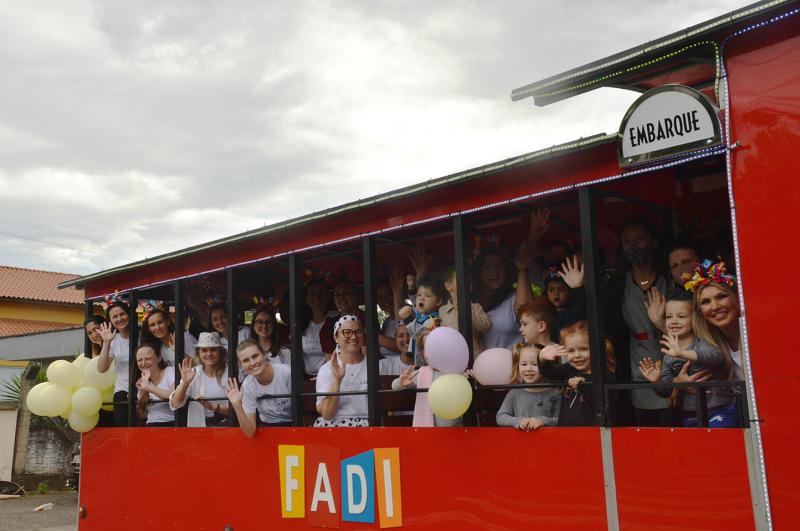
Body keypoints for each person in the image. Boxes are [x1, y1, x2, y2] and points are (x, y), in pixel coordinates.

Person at [603, 217, 670, 426]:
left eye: (639, 239)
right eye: (627, 241)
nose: (633, 246)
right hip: (635, 357)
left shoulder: (669, 278)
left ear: (654, 242)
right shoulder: (617, 285)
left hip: (671, 352)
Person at [637, 290, 737, 427]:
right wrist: (657, 381)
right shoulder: (669, 355)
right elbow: (666, 391)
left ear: (694, 318)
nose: (673, 321)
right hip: (691, 414)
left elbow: (714, 356)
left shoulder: (703, 342)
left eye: (681, 316)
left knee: (716, 440)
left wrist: (682, 354)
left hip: (720, 409)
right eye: (668, 317)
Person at [538, 320, 616, 426]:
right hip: (567, 433)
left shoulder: (605, 373)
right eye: (571, 351)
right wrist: (542, 358)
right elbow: (549, 373)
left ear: (597, 348)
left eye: (583, 349)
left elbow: (607, 390)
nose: (577, 355)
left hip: (593, 434)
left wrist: (585, 382)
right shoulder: (569, 369)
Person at [392, 326, 463, 427]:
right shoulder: (423, 373)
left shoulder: (455, 372)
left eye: (434, 347)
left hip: (455, 431)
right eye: (426, 348)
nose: (429, 352)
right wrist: (401, 382)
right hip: (428, 431)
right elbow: (394, 386)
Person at [472, 243, 536, 350]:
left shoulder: (512, 298)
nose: (494, 271)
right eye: (487, 267)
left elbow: (527, 310)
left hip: (512, 365)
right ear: (479, 271)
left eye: (499, 266)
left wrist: (522, 269)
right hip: (476, 366)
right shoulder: (469, 300)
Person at [227, 339, 292, 436]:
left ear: (264, 355)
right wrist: (237, 405)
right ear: (241, 365)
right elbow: (250, 432)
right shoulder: (248, 386)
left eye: (255, 356)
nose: (252, 363)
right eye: (245, 360)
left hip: (294, 426)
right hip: (267, 429)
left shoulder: (287, 373)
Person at [315, 315, 369, 427]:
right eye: (347, 332)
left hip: (369, 427)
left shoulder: (375, 366)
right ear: (336, 337)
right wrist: (337, 380)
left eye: (358, 332)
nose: (354, 337)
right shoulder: (326, 370)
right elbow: (327, 415)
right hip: (335, 427)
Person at [169, 332, 230, 427]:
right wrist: (185, 383)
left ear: (220, 352)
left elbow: (238, 408)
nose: (209, 354)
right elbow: (175, 403)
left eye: (213, 349)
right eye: (204, 350)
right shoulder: (193, 372)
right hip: (199, 428)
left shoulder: (230, 372)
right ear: (199, 353)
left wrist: (214, 407)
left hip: (226, 427)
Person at [497, 344, 560, 430]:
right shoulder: (514, 393)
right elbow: (501, 417)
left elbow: (561, 420)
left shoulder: (556, 393)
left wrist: (543, 421)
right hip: (521, 441)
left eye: (535, 364)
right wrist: (518, 421)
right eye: (523, 364)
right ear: (518, 366)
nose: (529, 369)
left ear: (545, 366)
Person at [438, 266, 492, 354]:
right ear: (448, 286)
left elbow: (487, 326)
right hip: (453, 358)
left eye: (469, 281)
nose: (467, 283)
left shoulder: (475, 307)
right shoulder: (442, 310)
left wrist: (467, 312)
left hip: (474, 358)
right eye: (462, 280)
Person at [97, 300, 133, 427]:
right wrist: (106, 342)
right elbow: (101, 368)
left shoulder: (143, 336)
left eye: (122, 314)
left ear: (129, 314)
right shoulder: (113, 340)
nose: (119, 319)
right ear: (110, 321)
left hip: (144, 389)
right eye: (115, 317)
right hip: (122, 391)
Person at [319, 280, 365, 359]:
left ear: (356, 296)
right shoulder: (329, 324)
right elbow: (330, 357)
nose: (341, 297)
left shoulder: (368, 319)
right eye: (337, 295)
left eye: (346, 293)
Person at [300, 279, 337, 376]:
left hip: (332, 375)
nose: (317, 298)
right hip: (308, 378)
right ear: (306, 299)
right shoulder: (302, 323)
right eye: (312, 294)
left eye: (321, 294)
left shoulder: (337, 318)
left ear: (328, 297)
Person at [134, 343, 175, 427]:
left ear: (159, 358)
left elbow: (174, 395)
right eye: (139, 360)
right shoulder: (142, 380)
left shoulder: (170, 372)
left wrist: (149, 387)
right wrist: (141, 392)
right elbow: (143, 415)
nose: (143, 363)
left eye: (148, 359)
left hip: (172, 425)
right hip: (151, 426)